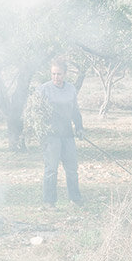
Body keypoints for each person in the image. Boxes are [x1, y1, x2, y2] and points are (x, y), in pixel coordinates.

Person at [36, 57, 84, 205]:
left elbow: (75, 110)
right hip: (51, 136)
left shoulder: (70, 89)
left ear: (65, 74)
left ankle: (75, 199)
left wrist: (79, 127)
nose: (56, 77)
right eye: (53, 74)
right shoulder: (43, 89)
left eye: (59, 74)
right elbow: (37, 112)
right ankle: (49, 202)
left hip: (67, 134)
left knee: (72, 169)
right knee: (51, 169)